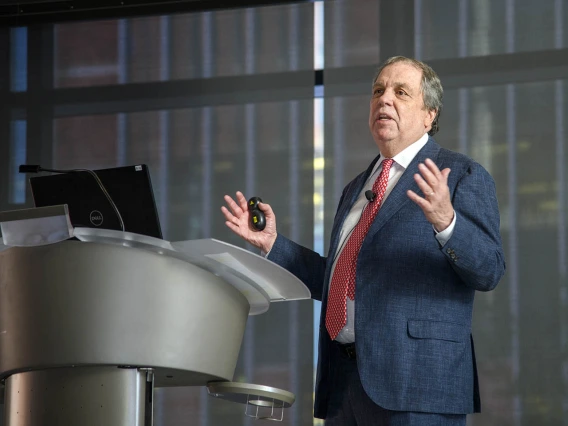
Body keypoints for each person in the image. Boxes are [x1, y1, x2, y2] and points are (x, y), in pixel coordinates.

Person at [221, 56, 505, 426]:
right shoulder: (358, 187)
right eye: (378, 90)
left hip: (416, 385)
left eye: (401, 92)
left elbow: (489, 270)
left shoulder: (462, 175)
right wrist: (274, 243)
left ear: (429, 115)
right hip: (344, 385)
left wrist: (445, 221)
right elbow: (342, 279)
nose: (384, 99)